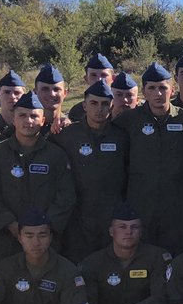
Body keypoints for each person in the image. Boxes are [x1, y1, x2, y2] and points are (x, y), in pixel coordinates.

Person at [0, 89, 76, 259]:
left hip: (47, 241)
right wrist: (11, 225)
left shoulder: (56, 155)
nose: (28, 121)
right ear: (14, 119)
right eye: (22, 116)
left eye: (34, 116)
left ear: (43, 120)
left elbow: (66, 196)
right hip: (6, 240)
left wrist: (43, 230)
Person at [119, 62, 183, 253]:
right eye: (152, 88)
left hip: (178, 204)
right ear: (144, 92)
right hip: (140, 203)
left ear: (172, 90)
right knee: (143, 254)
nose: (158, 93)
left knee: (177, 253)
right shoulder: (128, 120)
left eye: (163, 88)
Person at [54, 80, 128, 262]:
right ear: (84, 105)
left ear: (111, 106)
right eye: (94, 103)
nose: (99, 109)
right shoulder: (66, 136)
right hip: (77, 218)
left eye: (104, 104)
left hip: (111, 217)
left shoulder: (122, 136)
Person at [66, 52, 115, 122]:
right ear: (86, 79)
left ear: (113, 78)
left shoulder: (122, 106)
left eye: (104, 75)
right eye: (93, 75)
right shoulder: (78, 111)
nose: (99, 79)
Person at [33, 63, 69, 128]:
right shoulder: (27, 126)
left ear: (65, 93)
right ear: (35, 92)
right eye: (45, 89)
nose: (52, 94)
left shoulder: (70, 127)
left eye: (56, 89)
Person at [0, 69, 26, 137]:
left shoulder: (32, 127)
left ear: (24, 96)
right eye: (7, 92)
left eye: (17, 93)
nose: (12, 96)